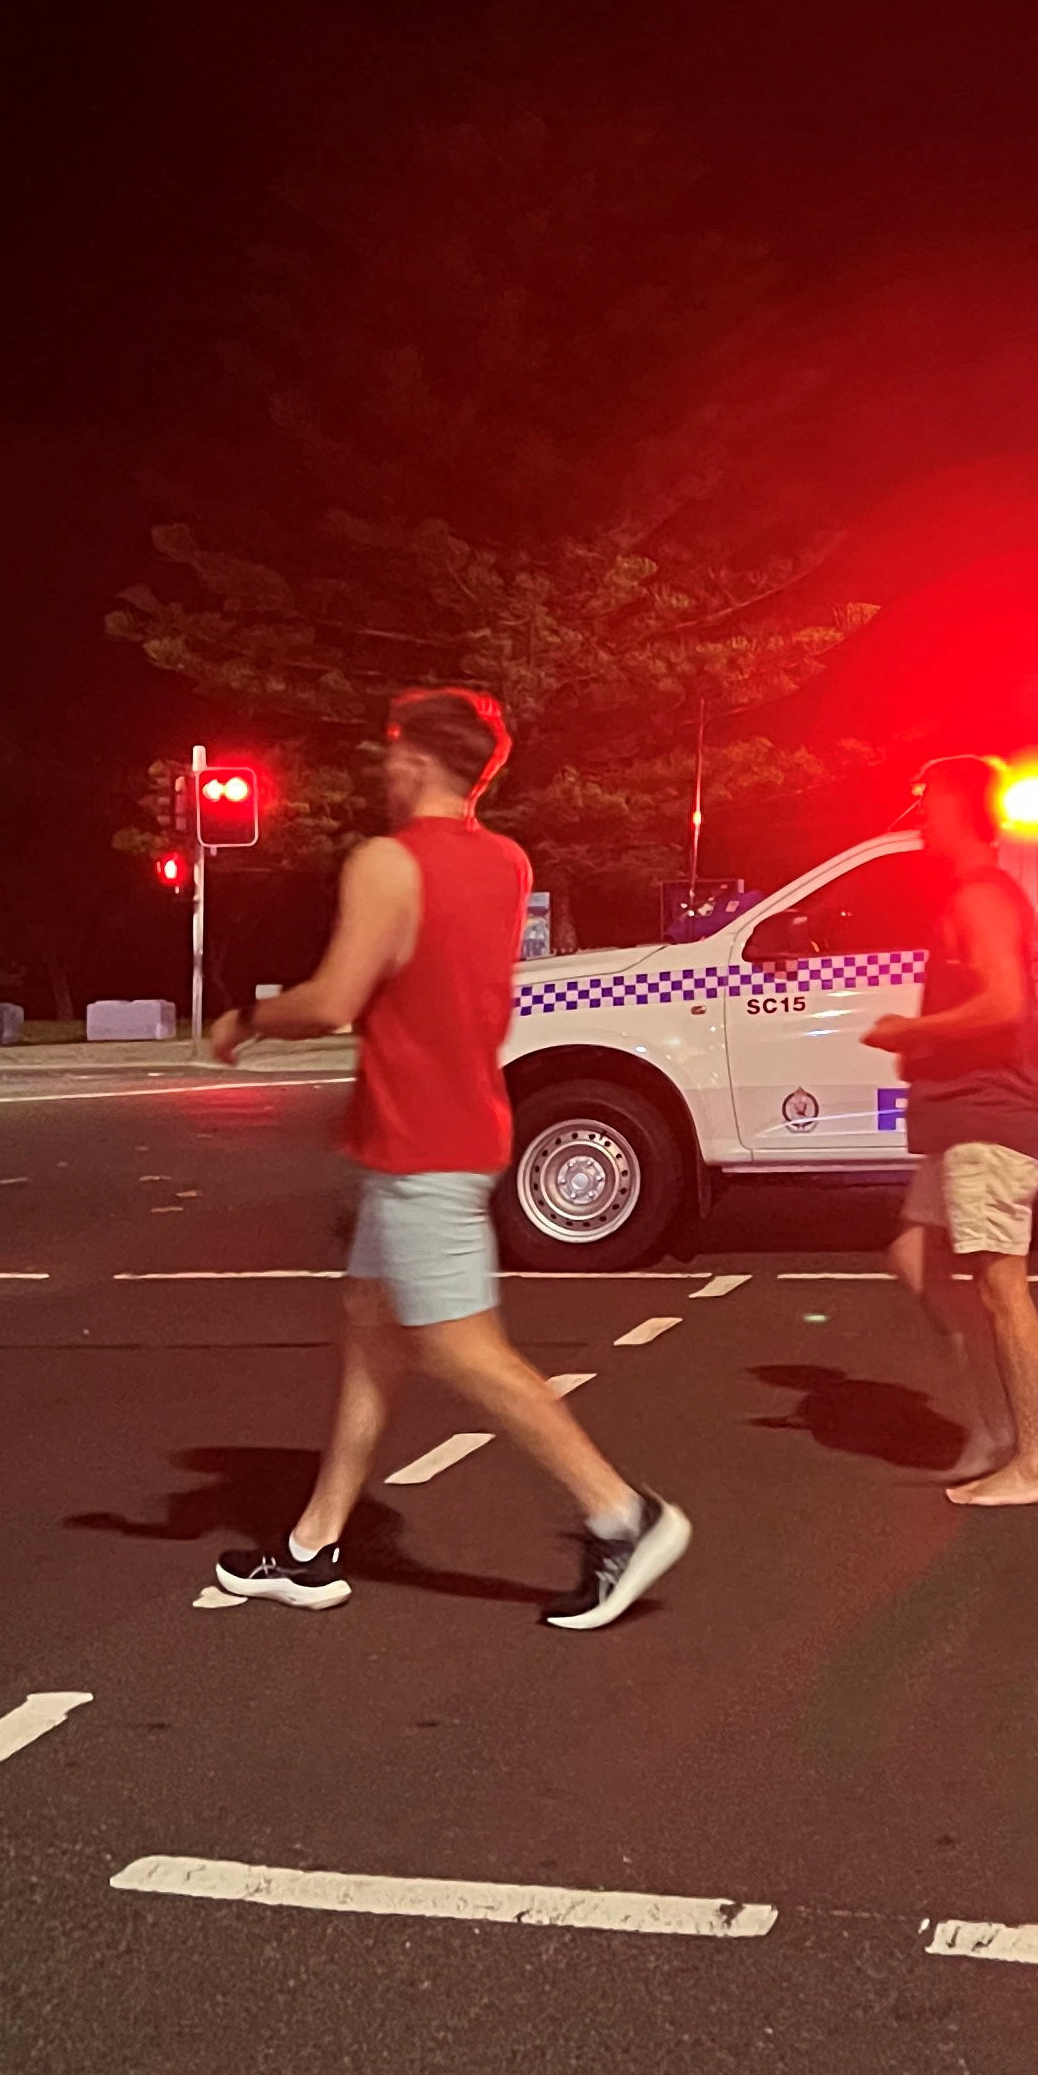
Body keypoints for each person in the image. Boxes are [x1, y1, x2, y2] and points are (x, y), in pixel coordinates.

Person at [203, 688, 689, 1630]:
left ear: (419, 763)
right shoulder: (505, 862)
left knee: (461, 1348)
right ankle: (312, 1549)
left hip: (422, 1141)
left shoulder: (387, 863)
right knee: (372, 1330)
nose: (383, 772)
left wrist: (246, 1020)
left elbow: (338, 998)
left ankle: (622, 1515)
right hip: (452, 1123)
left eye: (391, 757)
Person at [865, 754, 1038, 1507]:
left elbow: (1004, 1004)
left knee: (1001, 1285)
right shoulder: (979, 895)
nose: (919, 817)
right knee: (915, 1259)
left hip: (989, 1116)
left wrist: (912, 1030)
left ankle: (1034, 1462)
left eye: (928, 803)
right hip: (959, 1118)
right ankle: (993, 1428)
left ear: (957, 811)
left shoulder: (982, 898)